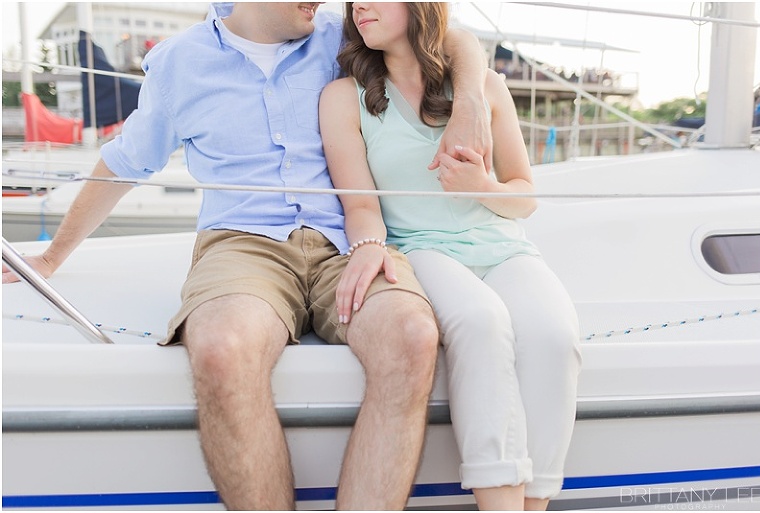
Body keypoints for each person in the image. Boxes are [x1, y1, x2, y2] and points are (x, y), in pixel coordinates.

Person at [2, 3, 492, 510]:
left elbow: (448, 36)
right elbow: (125, 162)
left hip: (349, 240)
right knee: (220, 347)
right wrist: (51, 258)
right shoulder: (180, 63)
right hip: (243, 244)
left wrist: (472, 101)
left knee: (412, 336)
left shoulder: (337, 35)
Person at [319, 3, 581, 510]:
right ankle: (498, 501)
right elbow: (360, 205)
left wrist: (480, 185)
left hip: (502, 244)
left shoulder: (483, 88)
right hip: (420, 248)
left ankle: (536, 502)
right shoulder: (342, 98)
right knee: (481, 322)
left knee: (555, 334)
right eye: (354, 0)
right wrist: (368, 247)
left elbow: (524, 197)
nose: (359, 7)